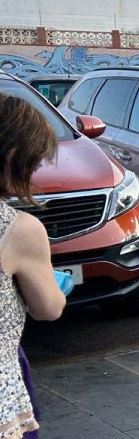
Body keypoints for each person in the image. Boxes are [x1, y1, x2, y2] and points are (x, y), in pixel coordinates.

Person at [0, 96, 67, 438]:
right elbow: (48, 308)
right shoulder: (17, 228)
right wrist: (56, 287)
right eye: (34, 162)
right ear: (13, 156)